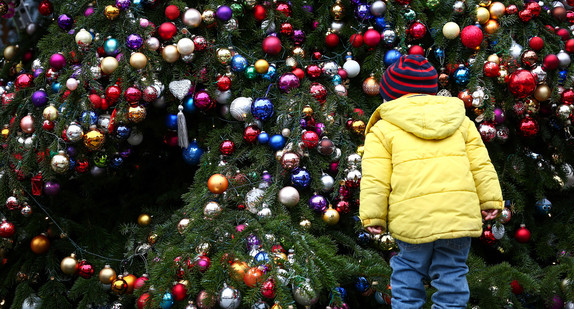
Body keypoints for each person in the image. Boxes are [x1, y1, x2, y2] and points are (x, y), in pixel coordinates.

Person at [359, 54, 503, 308]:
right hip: (458, 213)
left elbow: (375, 178)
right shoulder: (461, 122)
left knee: (408, 271)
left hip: (412, 216)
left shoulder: (383, 129)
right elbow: (481, 164)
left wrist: (373, 215)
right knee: (452, 273)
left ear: (390, 95)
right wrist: (490, 199)